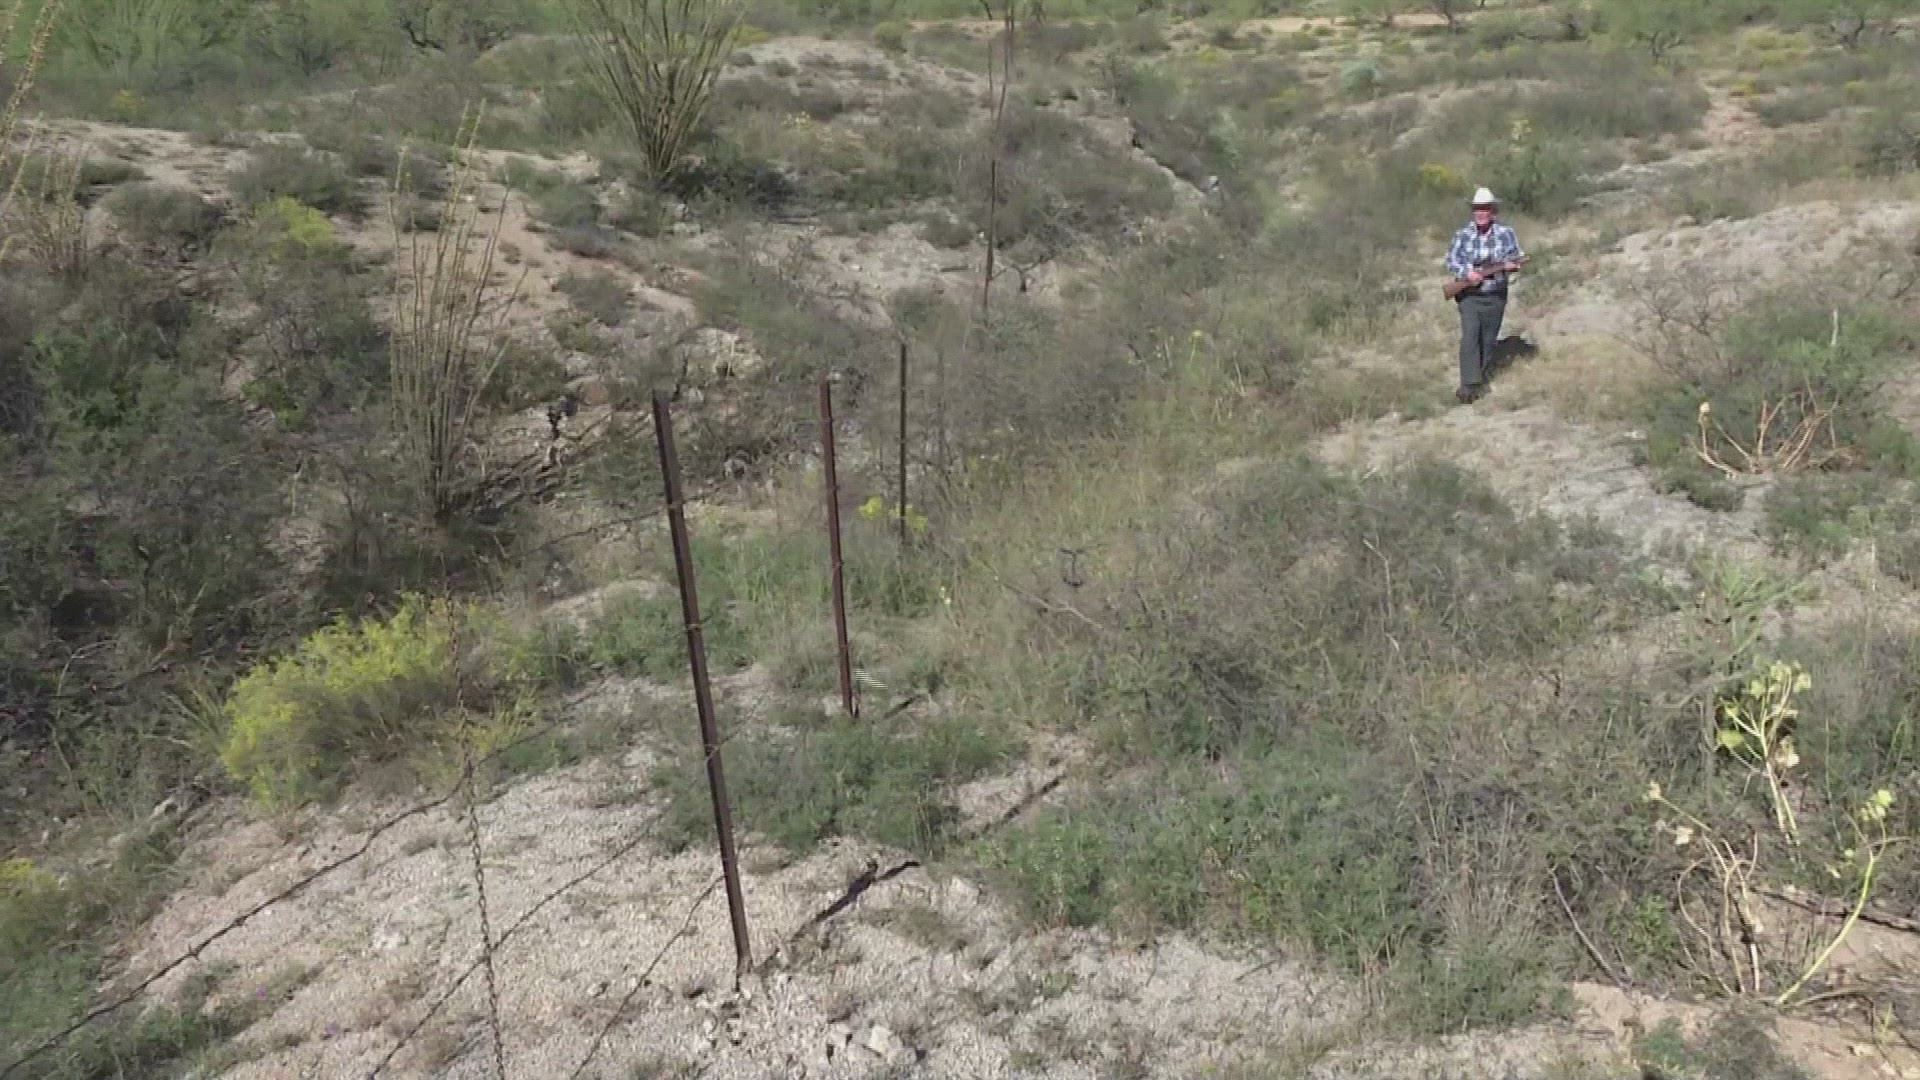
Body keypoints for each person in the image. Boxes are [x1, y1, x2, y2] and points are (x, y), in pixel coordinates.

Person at [1444, 187, 1526, 405]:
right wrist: (1467, 273)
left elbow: (1516, 257)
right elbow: (1451, 260)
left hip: (1495, 295)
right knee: (1470, 336)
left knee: (1488, 340)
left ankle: (1477, 379)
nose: (1481, 213)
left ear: (1493, 211)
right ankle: (1468, 385)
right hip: (1469, 295)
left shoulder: (1506, 233)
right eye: (1477, 209)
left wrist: (1511, 266)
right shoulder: (1462, 235)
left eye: (1485, 208)